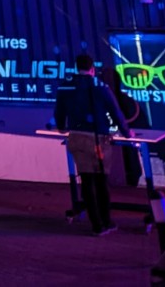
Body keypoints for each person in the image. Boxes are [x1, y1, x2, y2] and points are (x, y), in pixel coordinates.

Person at [54, 53, 132, 235]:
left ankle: (96, 225)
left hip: (76, 137)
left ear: (76, 67)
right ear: (92, 69)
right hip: (97, 140)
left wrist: (61, 127)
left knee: (87, 181)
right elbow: (116, 112)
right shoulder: (100, 86)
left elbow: (59, 111)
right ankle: (106, 222)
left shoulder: (67, 85)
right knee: (101, 182)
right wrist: (127, 133)